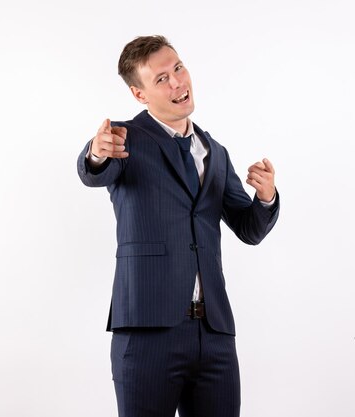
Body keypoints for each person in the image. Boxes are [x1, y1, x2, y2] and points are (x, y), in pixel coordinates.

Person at [77, 35, 280, 417]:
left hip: (215, 334)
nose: (177, 83)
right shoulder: (124, 139)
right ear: (140, 95)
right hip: (148, 332)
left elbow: (249, 229)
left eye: (178, 68)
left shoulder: (214, 152)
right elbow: (94, 170)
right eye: (161, 79)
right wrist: (95, 152)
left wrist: (266, 197)